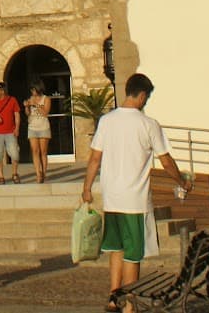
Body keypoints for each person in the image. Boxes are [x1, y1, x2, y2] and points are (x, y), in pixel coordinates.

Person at [80, 73, 190, 313]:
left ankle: (113, 297)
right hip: (134, 200)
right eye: (146, 97)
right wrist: (182, 181)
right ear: (141, 96)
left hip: (112, 197)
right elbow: (166, 161)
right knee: (133, 254)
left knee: (115, 249)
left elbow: (95, 158)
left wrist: (87, 188)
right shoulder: (148, 124)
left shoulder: (107, 121)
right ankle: (129, 304)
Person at [26, 84, 53, 183]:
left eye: (34, 90)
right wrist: (27, 107)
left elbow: (45, 113)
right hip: (32, 126)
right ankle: (38, 174)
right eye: (31, 90)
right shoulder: (31, 98)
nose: (32, 92)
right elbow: (28, 113)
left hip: (43, 127)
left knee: (43, 151)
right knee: (35, 151)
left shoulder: (46, 99)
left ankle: (44, 173)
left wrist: (36, 104)